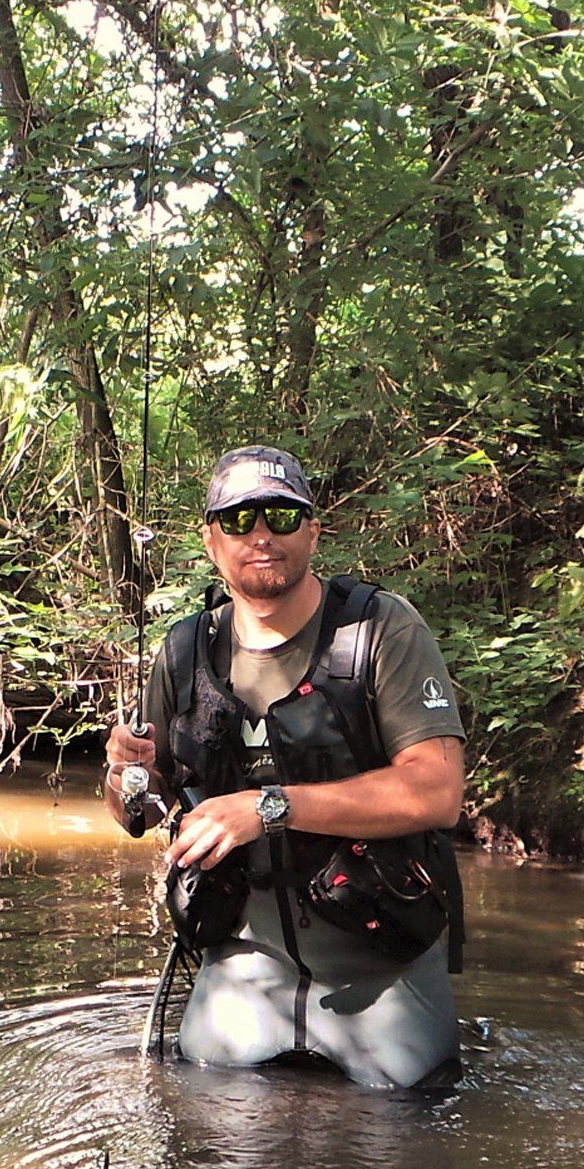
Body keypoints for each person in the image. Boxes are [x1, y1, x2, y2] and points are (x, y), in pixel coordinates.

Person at [105, 445, 468, 1089]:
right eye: (240, 520)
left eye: (281, 514)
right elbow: (141, 806)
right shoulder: (185, 651)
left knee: (401, 1129)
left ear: (313, 531)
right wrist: (123, 776)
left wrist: (269, 807)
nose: (262, 534)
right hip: (242, 966)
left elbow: (437, 791)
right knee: (206, 1118)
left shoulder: (381, 631)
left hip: (379, 964)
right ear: (212, 541)